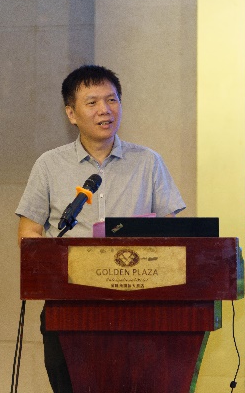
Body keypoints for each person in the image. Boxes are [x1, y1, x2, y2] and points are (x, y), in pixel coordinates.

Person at [15, 64, 186, 392]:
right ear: (71, 113)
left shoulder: (148, 162)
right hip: (69, 308)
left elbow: (172, 237)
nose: (105, 110)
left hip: (139, 309)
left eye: (112, 100)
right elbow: (29, 235)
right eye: (92, 102)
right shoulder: (49, 165)